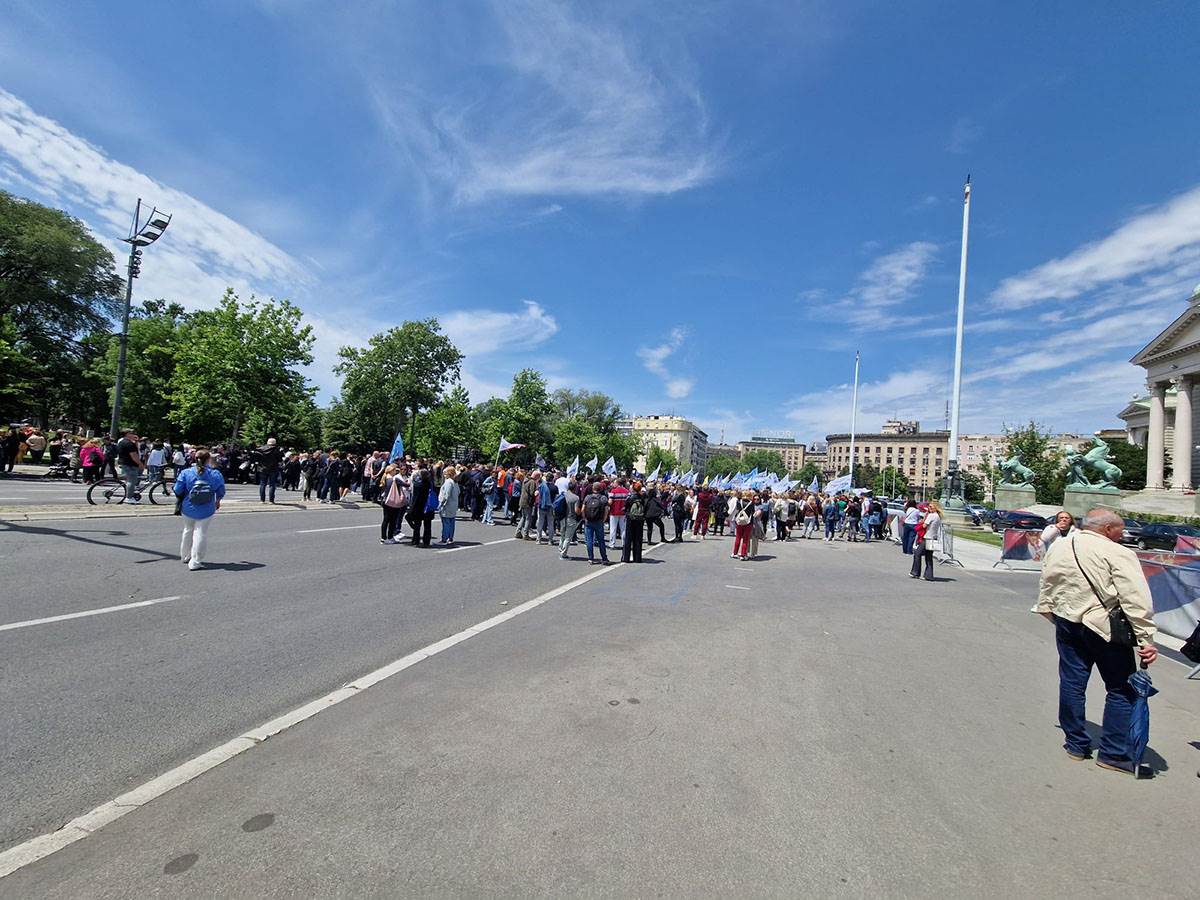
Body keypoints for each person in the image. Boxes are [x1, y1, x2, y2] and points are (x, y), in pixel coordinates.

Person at [1035, 508, 1158, 773]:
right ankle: (1113, 753)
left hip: (1067, 620)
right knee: (1121, 688)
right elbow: (1135, 597)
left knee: (1072, 682)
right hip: (1104, 627)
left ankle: (1076, 744)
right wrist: (1145, 638)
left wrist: (1047, 610)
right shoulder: (1119, 553)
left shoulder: (1061, 545)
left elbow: (1048, 580)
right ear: (1107, 529)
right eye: (1120, 530)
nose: (1122, 534)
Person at [173, 448, 226, 571]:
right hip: (207, 507)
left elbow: (177, 489)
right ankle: (195, 561)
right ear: (208, 460)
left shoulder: (186, 472)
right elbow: (221, 491)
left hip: (188, 506)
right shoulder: (215, 474)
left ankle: (185, 555)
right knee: (200, 532)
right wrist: (217, 501)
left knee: (187, 530)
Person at [909, 500, 942, 580]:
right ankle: (929, 575)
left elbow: (924, 525)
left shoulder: (931, 515)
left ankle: (915, 572)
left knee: (917, 553)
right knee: (928, 557)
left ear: (935, 507)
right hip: (932, 538)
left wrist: (922, 521)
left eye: (931, 507)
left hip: (927, 537)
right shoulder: (937, 516)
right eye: (929, 506)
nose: (929, 508)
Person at [581, 486, 610, 564]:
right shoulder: (603, 498)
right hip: (599, 521)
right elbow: (606, 511)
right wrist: (603, 520)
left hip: (589, 521)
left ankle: (591, 558)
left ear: (593, 488)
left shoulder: (587, 497)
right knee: (601, 541)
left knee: (589, 541)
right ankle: (604, 558)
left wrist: (585, 518)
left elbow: (583, 509)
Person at [116, 430, 144, 503]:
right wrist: (140, 464)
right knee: (131, 481)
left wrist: (136, 441)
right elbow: (134, 456)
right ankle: (129, 498)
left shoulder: (122, 442)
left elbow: (135, 449)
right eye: (132, 433)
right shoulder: (129, 443)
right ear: (127, 434)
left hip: (125, 463)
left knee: (129, 481)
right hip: (130, 464)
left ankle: (130, 494)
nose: (134, 434)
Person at [254, 437, 283, 503]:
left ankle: (262, 500)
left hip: (262, 468)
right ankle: (271, 500)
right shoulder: (276, 450)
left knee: (262, 484)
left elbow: (256, 458)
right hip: (273, 468)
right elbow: (280, 459)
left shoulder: (261, 449)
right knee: (272, 485)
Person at [558, 479, 581, 559]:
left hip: (562, 517)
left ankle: (560, 550)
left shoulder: (563, 495)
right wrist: (580, 513)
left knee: (562, 535)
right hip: (571, 518)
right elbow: (576, 510)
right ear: (574, 488)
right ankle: (563, 554)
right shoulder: (576, 498)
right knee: (568, 537)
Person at [623, 485, 646, 562]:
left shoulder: (630, 498)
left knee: (628, 538)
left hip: (631, 518)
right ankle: (637, 558)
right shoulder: (642, 498)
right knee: (638, 539)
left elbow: (625, 507)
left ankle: (626, 558)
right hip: (640, 519)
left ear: (633, 489)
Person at [438, 465, 460, 545]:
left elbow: (446, 495)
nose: (444, 474)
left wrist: (441, 504)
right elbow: (458, 492)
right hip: (453, 504)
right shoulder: (455, 482)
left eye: (445, 473)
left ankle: (444, 539)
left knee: (446, 522)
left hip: (447, 505)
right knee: (451, 522)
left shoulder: (448, 482)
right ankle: (450, 538)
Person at [730, 491, 756, 561]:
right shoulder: (751, 503)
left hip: (739, 521)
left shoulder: (739, 502)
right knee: (745, 539)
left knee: (738, 538)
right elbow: (753, 512)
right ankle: (743, 555)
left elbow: (738, 510)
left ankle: (734, 553)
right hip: (748, 522)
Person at [608, 478, 629, 549]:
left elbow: (610, 502)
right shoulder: (627, 491)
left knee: (613, 529)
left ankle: (612, 544)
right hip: (623, 512)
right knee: (623, 529)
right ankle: (624, 544)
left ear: (617, 483)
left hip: (614, 512)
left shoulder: (613, 491)